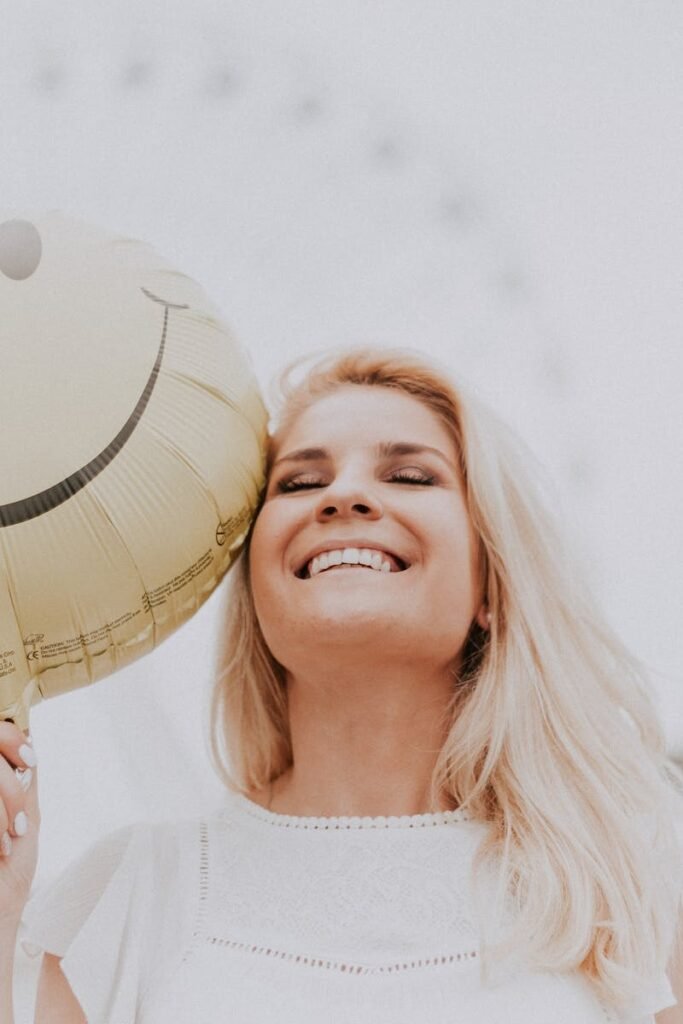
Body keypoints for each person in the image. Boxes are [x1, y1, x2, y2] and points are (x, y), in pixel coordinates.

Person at [0, 347, 681, 1023]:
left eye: (410, 476)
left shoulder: (625, 882)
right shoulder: (129, 899)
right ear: (254, 587)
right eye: (296, 484)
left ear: (492, 585)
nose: (343, 496)